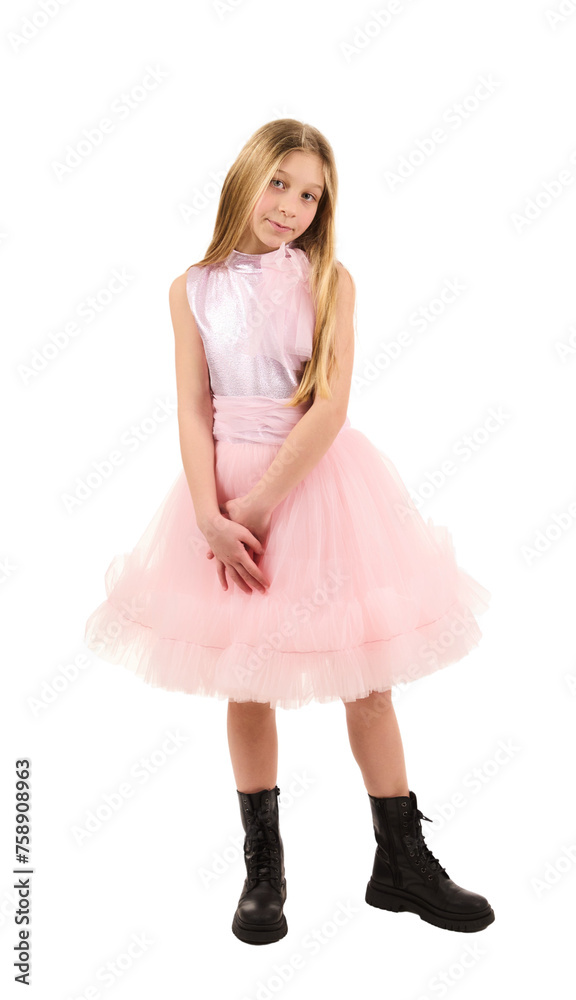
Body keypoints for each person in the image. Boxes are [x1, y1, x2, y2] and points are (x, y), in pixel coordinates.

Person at [84, 118, 495, 946]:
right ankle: (263, 870)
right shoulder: (191, 287)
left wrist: (264, 503)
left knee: (366, 675)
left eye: (311, 194)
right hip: (224, 489)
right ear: (246, 178)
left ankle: (400, 862)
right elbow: (192, 406)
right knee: (248, 677)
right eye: (281, 184)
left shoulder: (330, 280)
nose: (293, 206)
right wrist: (208, 512)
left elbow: (331, 404)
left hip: (311, 484)